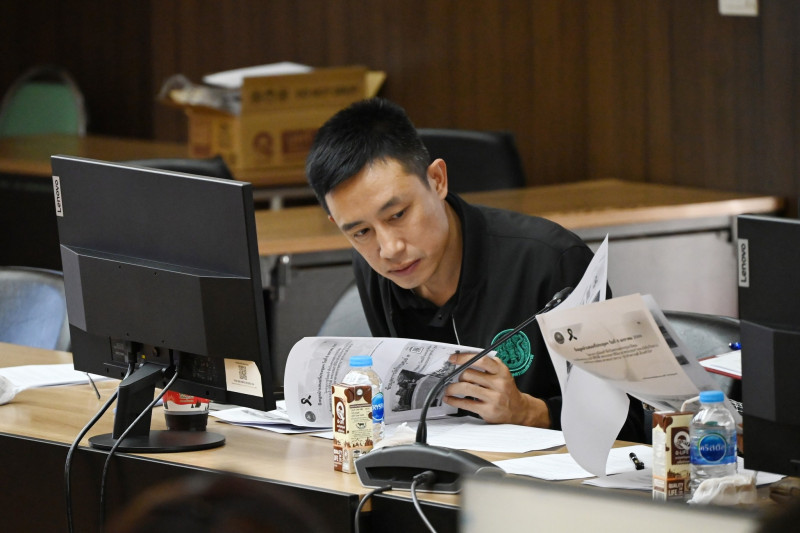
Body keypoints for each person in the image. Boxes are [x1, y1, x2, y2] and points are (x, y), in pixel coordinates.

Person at [306, 97, 644, 442]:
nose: (389, 249)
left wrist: (527, 411)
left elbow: (629, 423)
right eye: (361, 232)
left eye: (398, 215)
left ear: (437, 180)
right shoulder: (373, 268)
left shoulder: (551, 261)